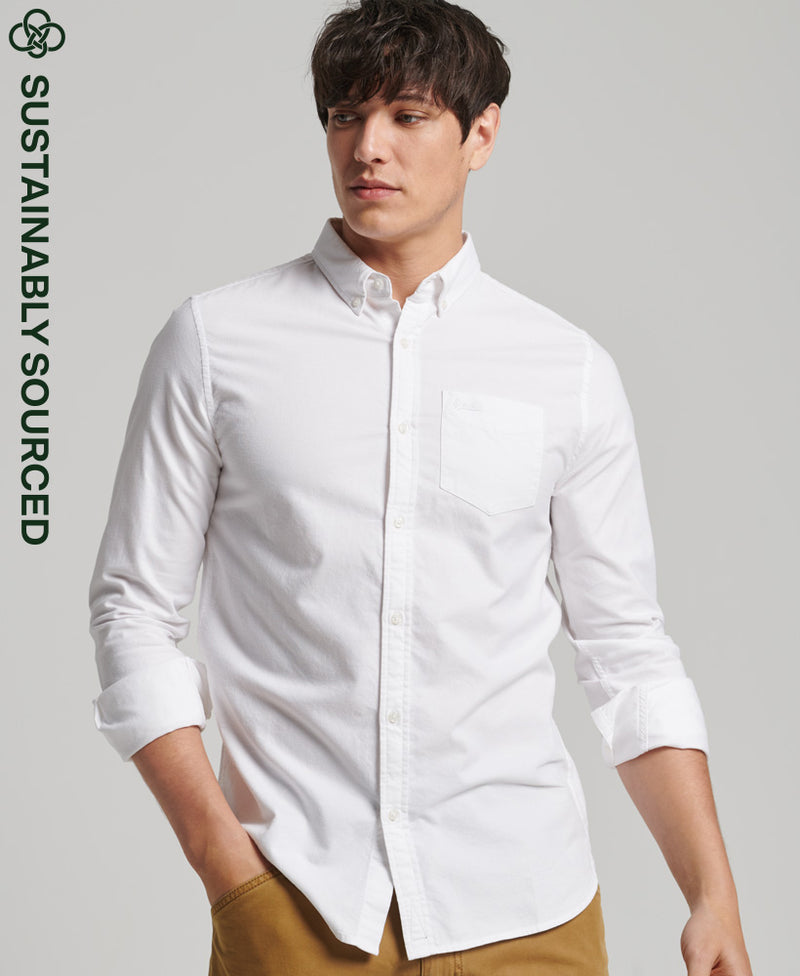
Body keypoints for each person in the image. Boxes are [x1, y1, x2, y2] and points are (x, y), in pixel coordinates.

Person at [89, 1, 752, 973]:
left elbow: (625, 651)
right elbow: (132, 612)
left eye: (407, 115)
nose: (368, 147)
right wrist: (227, 872)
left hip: (528, 909)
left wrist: (711, 895)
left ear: (480, 134)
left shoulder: (564, 368)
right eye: (344, 116)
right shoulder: (214, 343)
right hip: (299, 906)